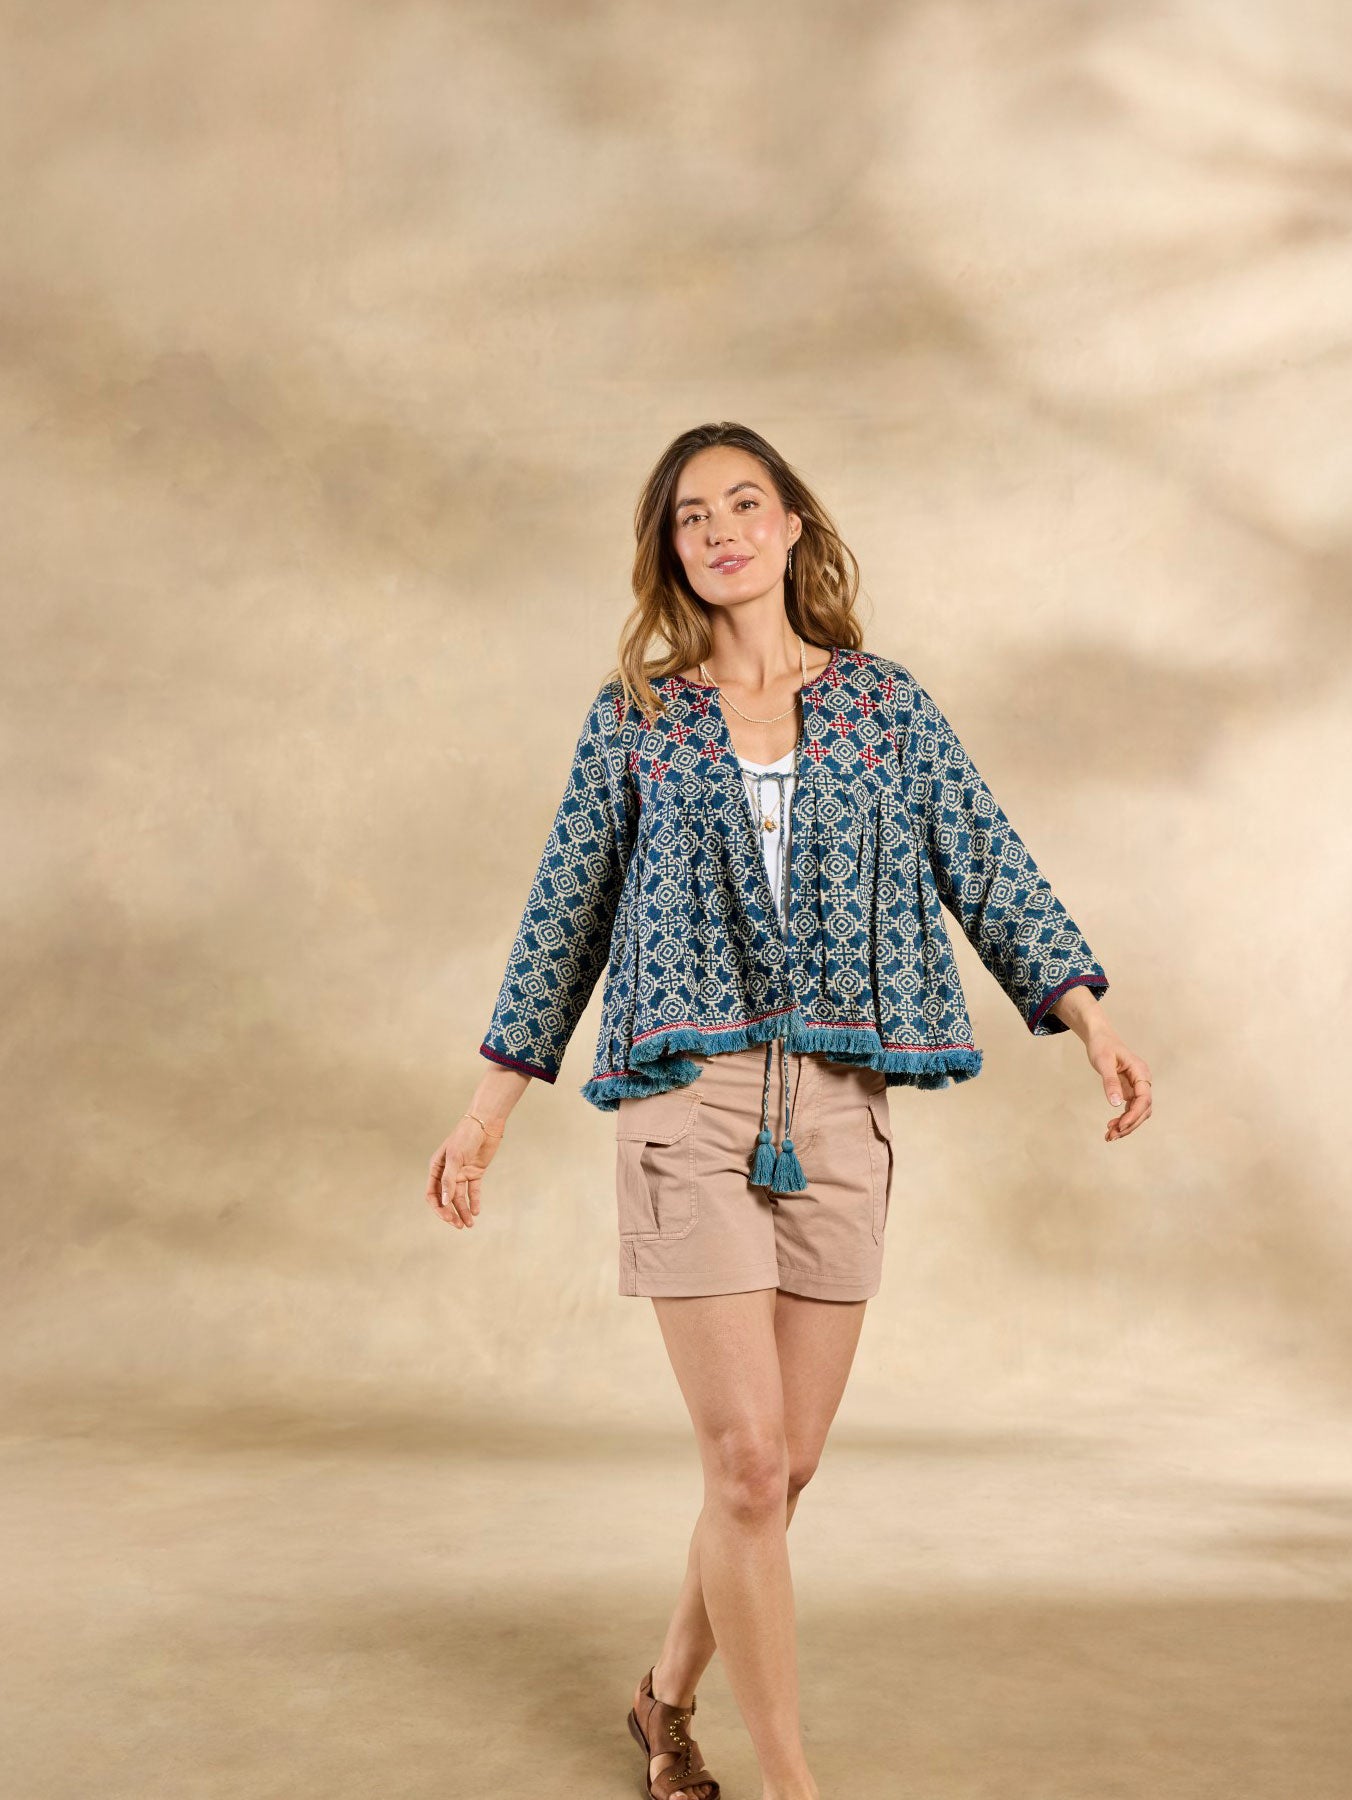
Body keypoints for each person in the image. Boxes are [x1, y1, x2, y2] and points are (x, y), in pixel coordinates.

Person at [425, 422, 1153, 1800]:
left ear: (794, 526)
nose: (721, 532)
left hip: (837, 1112)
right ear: (670, 550)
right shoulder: (638, 719)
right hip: (685, 1108)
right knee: (748, 1465)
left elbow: (987, 861)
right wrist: (487, 1113)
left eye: (744, 504)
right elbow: (564, 916)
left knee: (785, 1468)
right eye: (691, 516)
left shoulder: (887, 708)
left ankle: (663, 1699)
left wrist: (1089, 1020)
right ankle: (793, 1787)